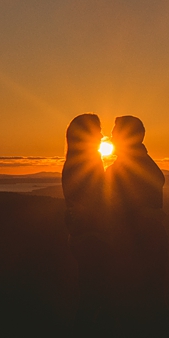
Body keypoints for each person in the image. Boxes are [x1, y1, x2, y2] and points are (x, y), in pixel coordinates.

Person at [105, 115, 167, 315]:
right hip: (141, 242)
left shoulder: (132, 166)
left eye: (115, 132)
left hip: (134, 245)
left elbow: (124, 208)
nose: (111, 136)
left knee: (134, 305)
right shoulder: (141, 163)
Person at [62, 114, 108, 324]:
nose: (101, 135)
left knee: (92, 292)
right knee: (94, 293)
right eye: (97, 131)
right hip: (90, 236)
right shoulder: (83, 164)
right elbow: (92, 201)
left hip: (85, 235)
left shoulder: (77, 161)